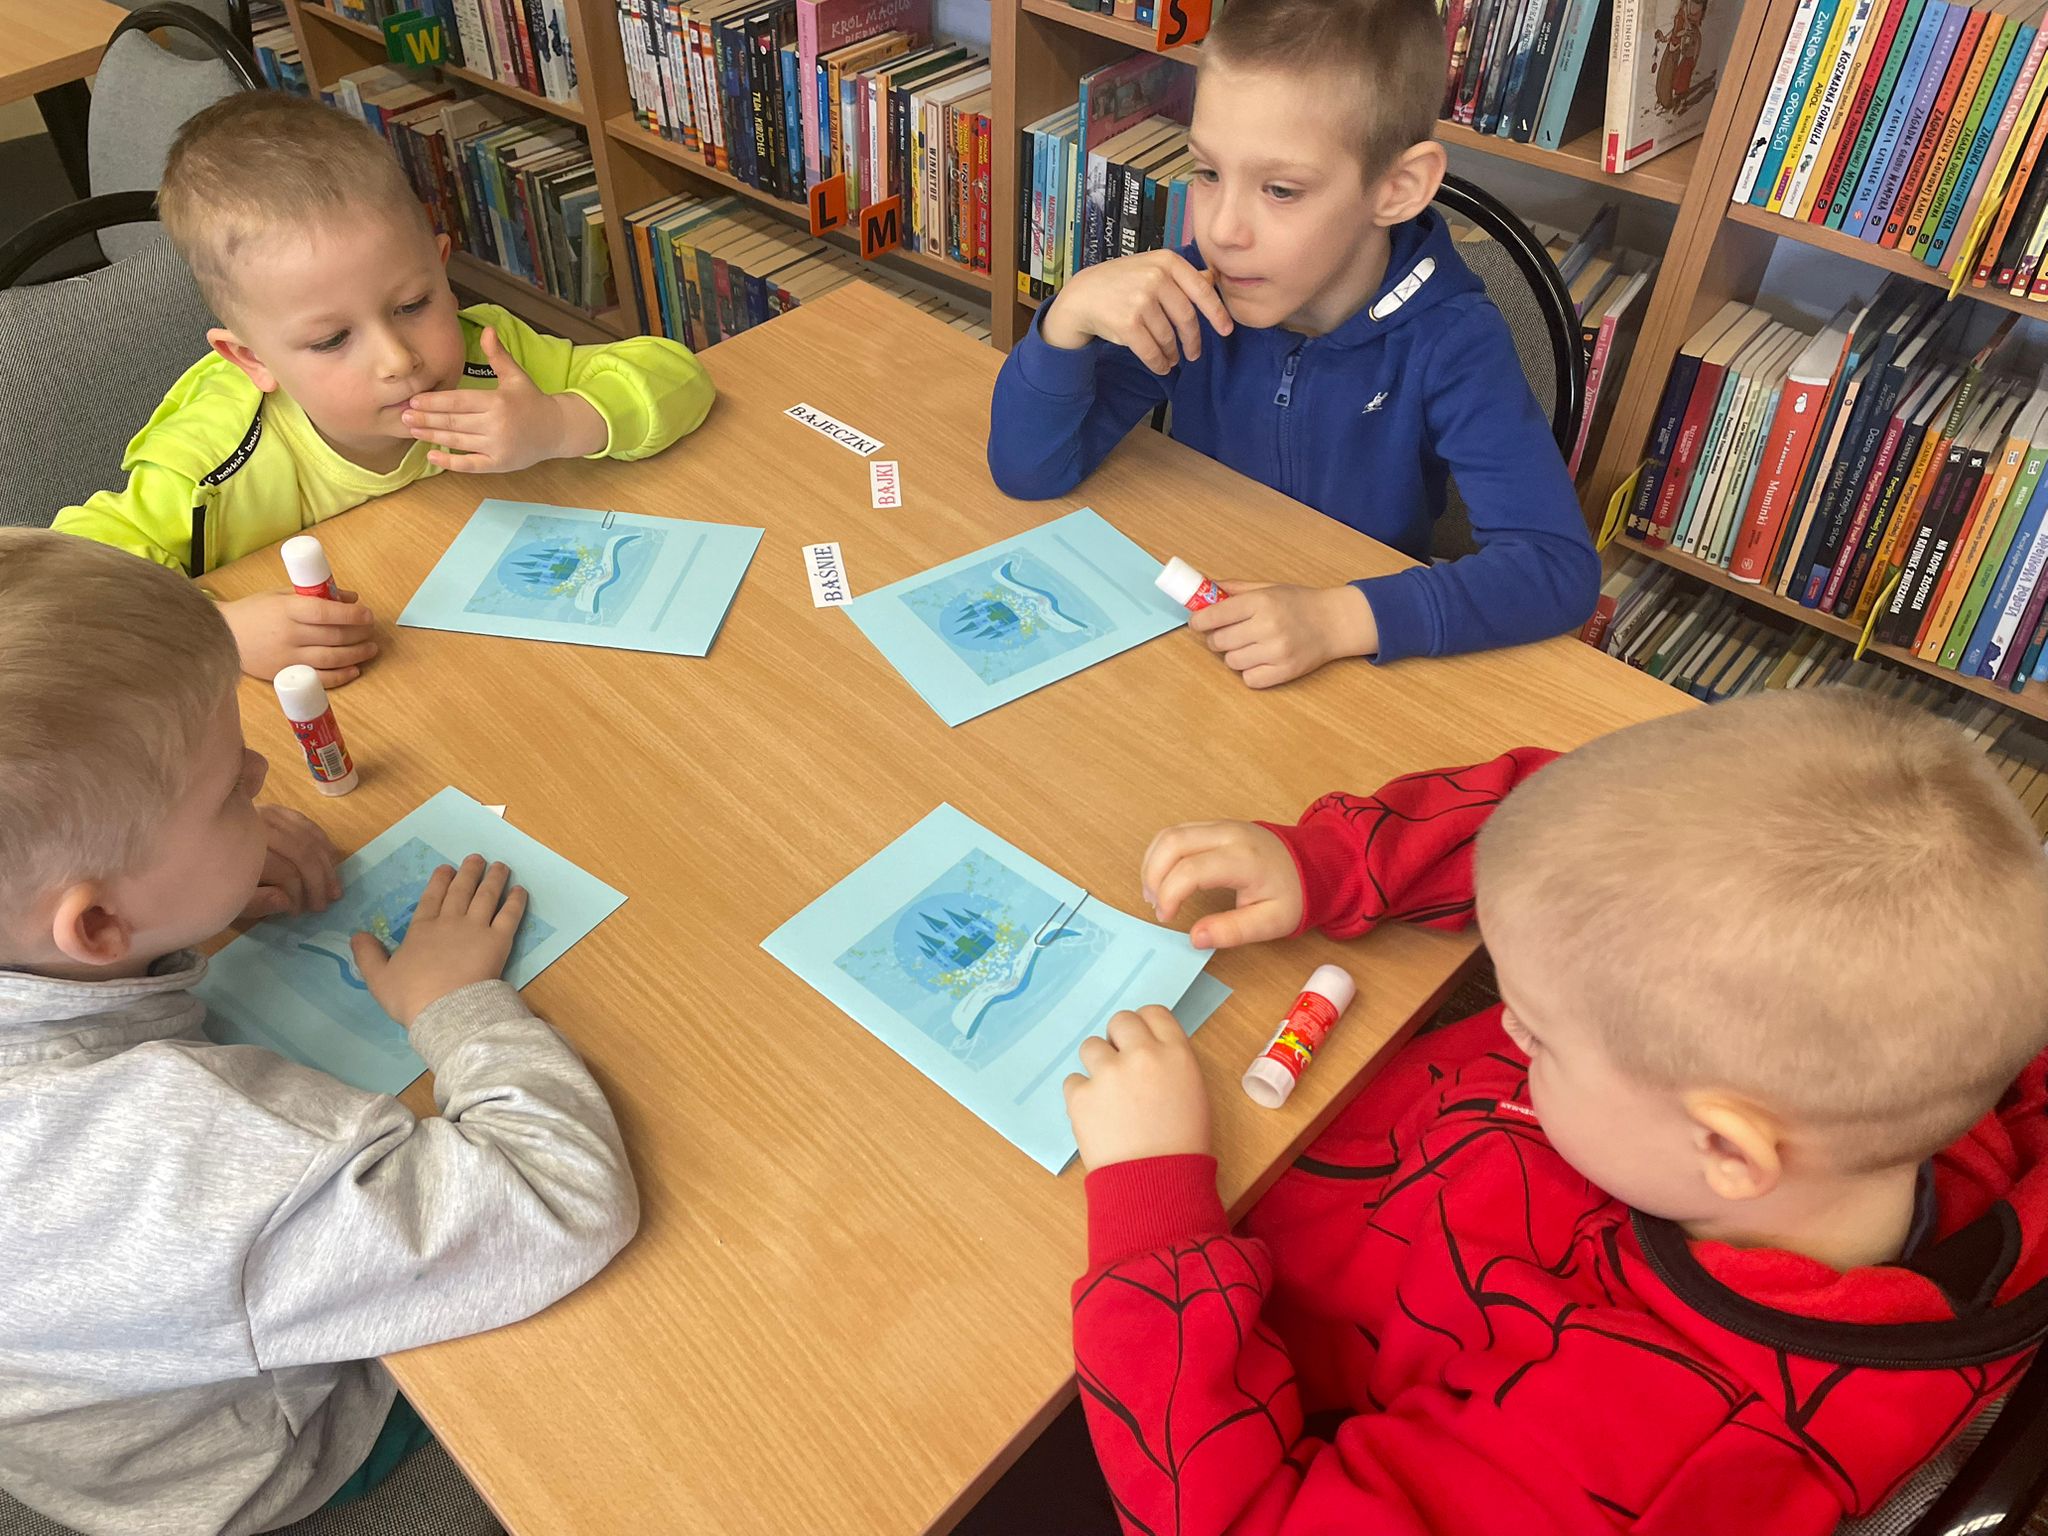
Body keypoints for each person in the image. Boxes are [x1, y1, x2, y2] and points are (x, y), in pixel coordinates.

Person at [1062, 689, 2048, 1532]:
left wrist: (1152, 1205)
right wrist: (1335, 861)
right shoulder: (1902, 1042)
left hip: (1202, 1341)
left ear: (1724, 1146)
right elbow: (1602, 828)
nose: (1507, 1030)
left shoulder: (1637, 1447)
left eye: (1535, 1032)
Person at [0, 529, 638, 1534]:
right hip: (250, 1456)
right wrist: (454, 1004)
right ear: (96, 925)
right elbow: (561, 1200)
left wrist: (177, 901)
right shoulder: (174, 1149)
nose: (262, 772)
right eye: (229, 793)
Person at [54, 92, 715, 688]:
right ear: (252, 359)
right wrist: (217, 633)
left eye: (413, 304)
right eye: (331, 340)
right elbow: (62, 585)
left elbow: (678, 375)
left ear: (443, 269)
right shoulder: (210, 460)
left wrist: (563, 423)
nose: (399, 359)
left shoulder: (489, 356)